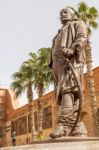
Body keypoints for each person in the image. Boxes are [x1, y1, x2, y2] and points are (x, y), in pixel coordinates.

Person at [49, 7, 88, 138]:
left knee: (69, 89)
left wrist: (73, 49)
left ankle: (63, 125)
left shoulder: (78, 23)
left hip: (71, 61)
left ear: (72, 13)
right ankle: (77, 127)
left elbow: (82, 38)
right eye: (61, 13)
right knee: (65, 92)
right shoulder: (59, 32)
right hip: (58, 65)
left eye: (65, 11)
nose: (62, 14)